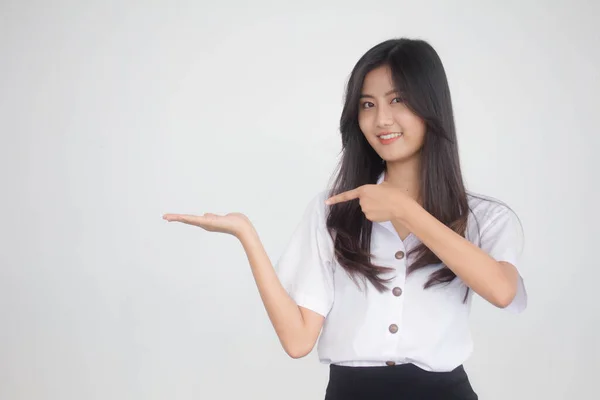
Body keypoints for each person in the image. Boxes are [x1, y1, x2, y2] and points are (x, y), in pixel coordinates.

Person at [162, 37, 527, 399]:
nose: (382, 119)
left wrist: (405, 210)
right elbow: (297, 340)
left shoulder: (484, 217)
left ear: (431, 106)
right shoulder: (334, 212)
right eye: (367, 104)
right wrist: (246, 234)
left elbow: (501, 290)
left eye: (397, 99)